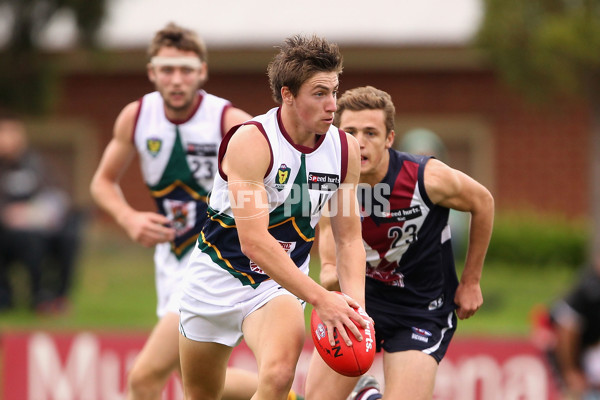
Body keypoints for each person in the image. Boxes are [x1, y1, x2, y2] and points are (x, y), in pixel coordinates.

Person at [90, 22, 281, 400]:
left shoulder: (229, 120)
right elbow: (102, 181)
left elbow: (274, 184)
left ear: (202, 72)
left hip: (212, 260)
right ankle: (290, 397)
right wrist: (129, 218)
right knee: (201, 379)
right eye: (167, 70)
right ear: (152, 73)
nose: (176, 80)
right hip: (170, 259)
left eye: (186, 70)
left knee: (144, 378)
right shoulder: (137, 116)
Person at [178, 34, 369, 400]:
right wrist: (322, 299)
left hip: (278, 285)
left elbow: (347, 238)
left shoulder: (345, 150)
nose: (332, 105)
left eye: (334, 91)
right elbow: (254, 242)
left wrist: (354, 308)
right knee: (202, 393)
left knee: (280, 375)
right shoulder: (252, 142)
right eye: (319, 93)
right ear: (287, 95)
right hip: (216, 277)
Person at [304, 86, 495, 400]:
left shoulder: (425, 178)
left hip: (421, 310)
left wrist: (471, 281)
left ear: (389, 139)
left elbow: (483, 202)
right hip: (361, 301)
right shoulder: (331, 176)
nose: (360, 142)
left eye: (371, 133)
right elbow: (329, 227)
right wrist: (328, 267)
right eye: (350, 132)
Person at [0, 112, 79, 313]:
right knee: (31, 241)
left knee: (69, 235)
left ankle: (53, 297)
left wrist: (33, 213)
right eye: (4, 132)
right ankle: (15, 296)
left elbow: (56, 195)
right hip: (6, 233)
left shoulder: (35, 163)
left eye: (13, 132)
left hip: (37, 226)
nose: (9, 138)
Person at [545, 253, 600, 399]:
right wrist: (570, 371)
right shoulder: (589, 289)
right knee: (575, 391)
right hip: (569, 351)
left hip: (589, 350)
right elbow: (567, 329)